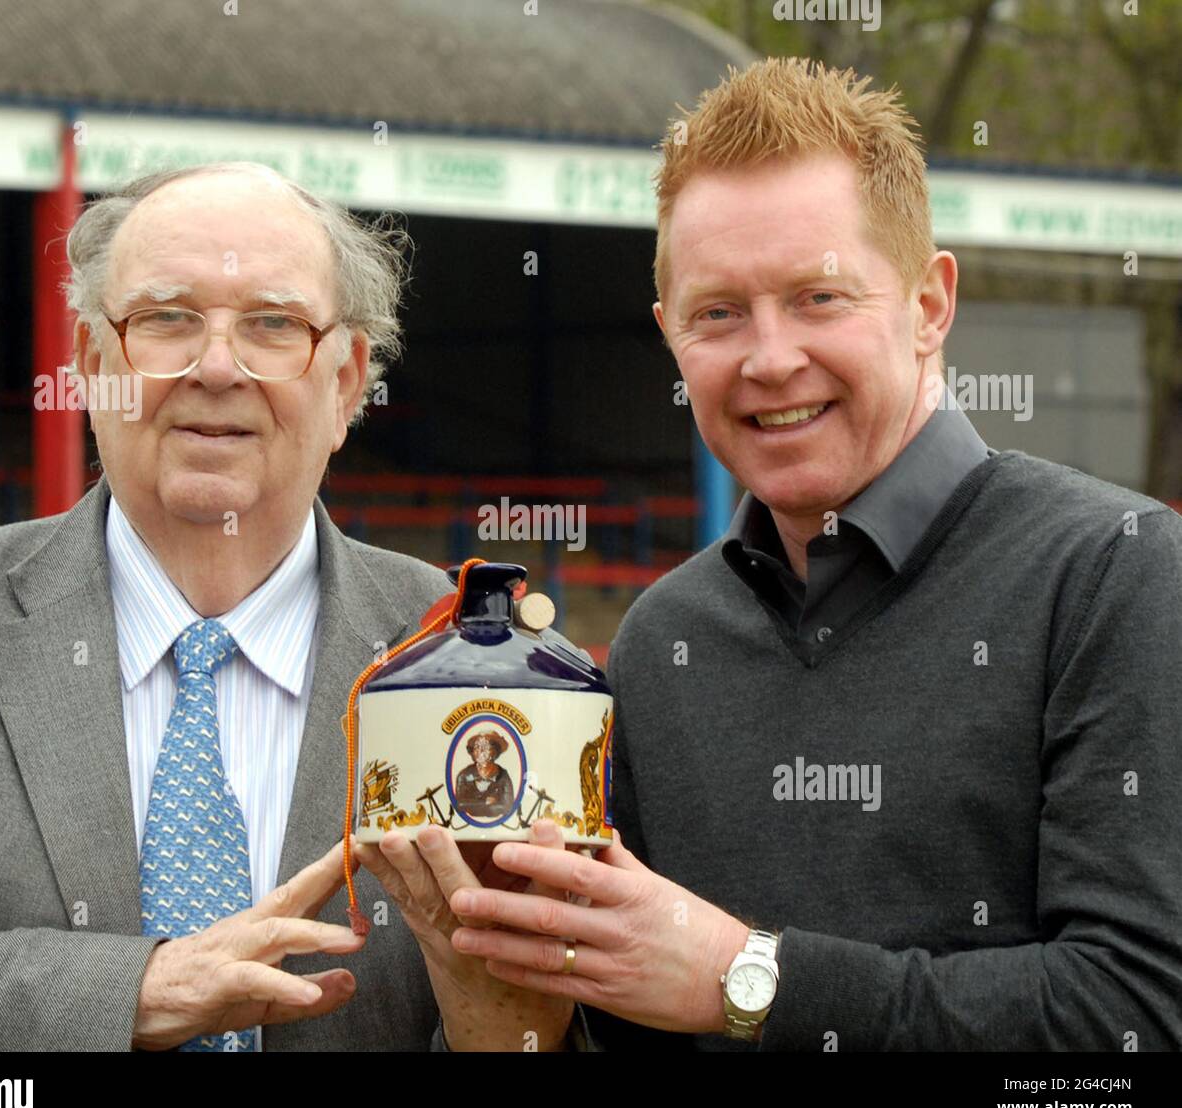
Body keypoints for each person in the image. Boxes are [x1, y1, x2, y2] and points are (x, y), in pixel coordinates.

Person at [436, 58, 1182, 1051]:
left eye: (819, 296)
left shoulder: (1116, 576)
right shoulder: (662, 640)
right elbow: (636, 1022)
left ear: (928, 304)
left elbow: (1134, 1016)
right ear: (669, 335)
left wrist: (749, 977)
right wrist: (497, 998)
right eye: (717, 312)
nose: (770, 357)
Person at [0, 161, 564, 1052]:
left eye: (274, 325)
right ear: (94, 363)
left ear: (348, 381)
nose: (215, 365)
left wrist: (497, 1008)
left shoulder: (474, 663)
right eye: (166, 319)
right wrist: (135, 994)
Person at [452, 732, 516, 818]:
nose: (480, 751)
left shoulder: (503, 775)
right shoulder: (464, 775)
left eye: (485, 747)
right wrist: (484, 802)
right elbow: (460, 804)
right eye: (477, 747)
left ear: (494, 752)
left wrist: (475, 806)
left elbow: (508, 806)